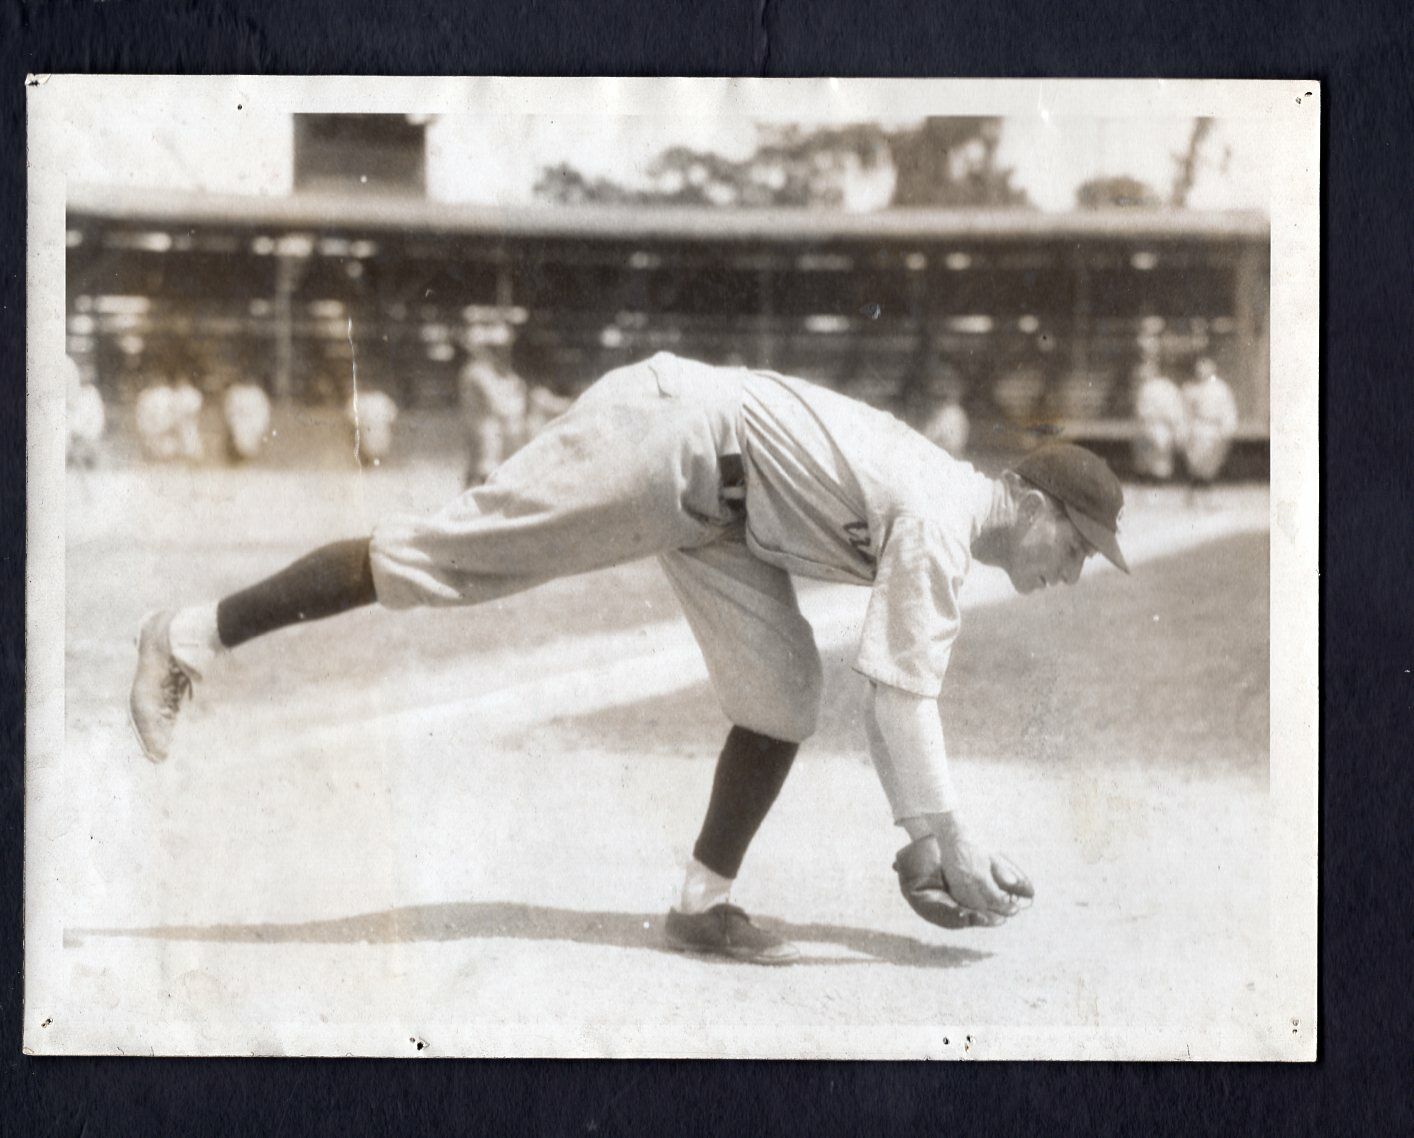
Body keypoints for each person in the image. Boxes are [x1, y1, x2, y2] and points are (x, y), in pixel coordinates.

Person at [129, 352, 1129, 965]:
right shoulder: (945, 521)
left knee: (782, 695)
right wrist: (945, 839)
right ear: (1034, 509)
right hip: (672, 437)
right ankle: (188, 636)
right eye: (1076, 546)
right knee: (439, 561)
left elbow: (892, 700)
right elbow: (900, 699)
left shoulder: (950, 509)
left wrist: (923, 839)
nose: (1074, 571)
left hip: (729, 512)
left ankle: (701, 905)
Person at [459, 328, 530, 488]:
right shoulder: (477, 371)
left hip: (486, 425)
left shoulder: (487, 371)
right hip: (484, 426)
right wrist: (516, 397)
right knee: (485, 468)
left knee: (478, 468)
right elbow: (498, 404)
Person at [1181, 357, 1239, 492]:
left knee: (1211, 465)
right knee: (1195, 464)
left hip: (1214, 428)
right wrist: (1184, 430)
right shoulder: (1190, 388)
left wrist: (1227, 429)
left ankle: (1208, 494)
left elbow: (1228, 410)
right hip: (1197, 427)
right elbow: (1185, 412)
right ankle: (1194, 495)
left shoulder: (1221, 388)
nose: (1201, 372)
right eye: (1199, 369)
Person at [1131, 358, 1187, 481]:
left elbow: (1175, 409)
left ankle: (1158, 478)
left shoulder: (1166, 387)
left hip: (1161, 425)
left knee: (1160, 456)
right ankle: (1150, 476)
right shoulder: (1146, 387)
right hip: (1149, 425)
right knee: (1147, 454)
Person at [65, 356, 106, 469]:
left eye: (88, 370)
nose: (85, 374)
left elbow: (98, 421)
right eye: (81, 370)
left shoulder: (92, 394)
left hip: (87, 442)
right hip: (69, 444)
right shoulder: (68, 394)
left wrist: (84, 436)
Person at [347, 388, 398, 466]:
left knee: (376, 448)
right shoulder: (360, 399)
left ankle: (374, 462)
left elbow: (392, 415)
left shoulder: (381, 398)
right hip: (369, 433)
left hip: (377, 432)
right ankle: (371, 462)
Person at [223, 382, 273, 463]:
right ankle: (239, 455)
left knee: (249, 440)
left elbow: (263, 412)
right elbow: (230, 412)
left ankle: (247, 455)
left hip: (253, 422)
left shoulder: (257, 393)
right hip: (240, 422)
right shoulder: (236, 392)